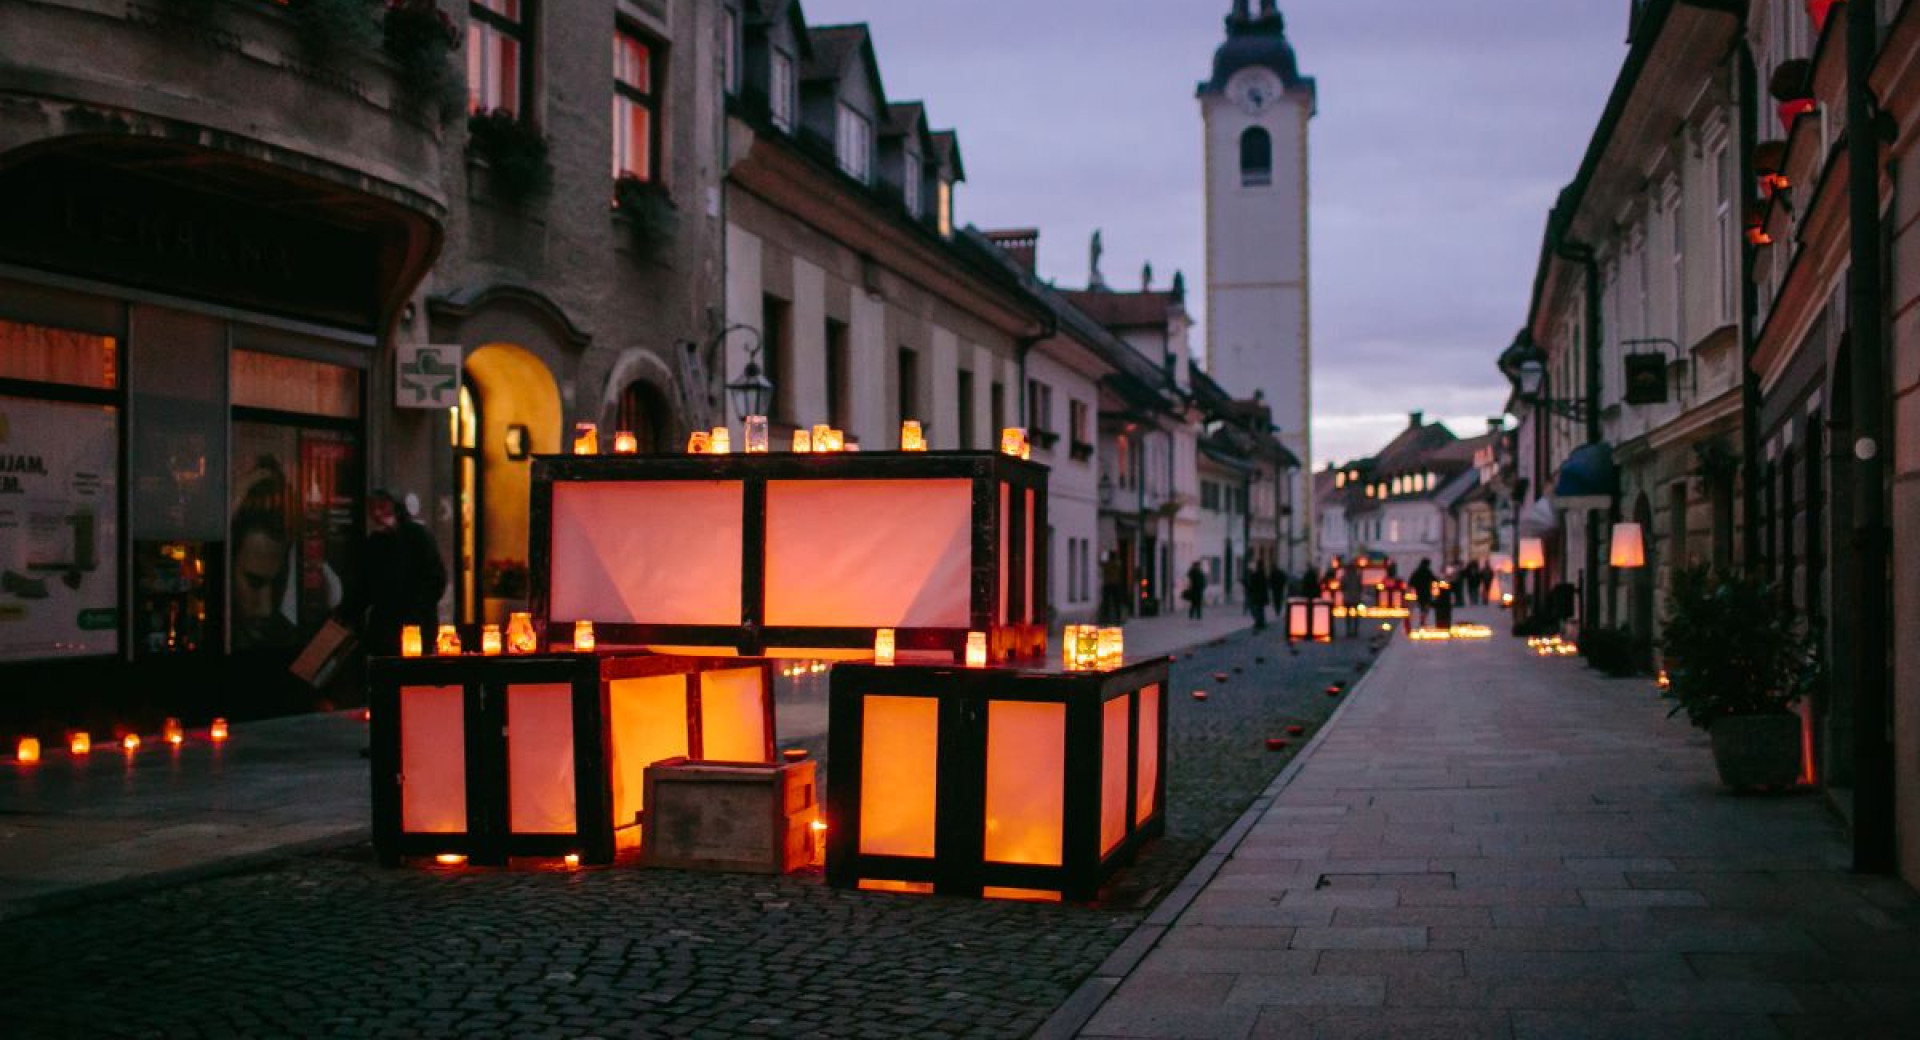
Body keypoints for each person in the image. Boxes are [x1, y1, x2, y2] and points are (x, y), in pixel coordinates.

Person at [349, 490, 447, 658]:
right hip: (384, 627)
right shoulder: (374, 543)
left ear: (396, 508)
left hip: (415, 624)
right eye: (372, 509)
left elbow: (435, 580)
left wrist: (417, 610)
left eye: (382, 507)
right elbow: (364, 586)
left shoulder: (418, 537)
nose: (377, 513)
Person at [1409, 557, 1438, 629]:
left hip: (1419, 592)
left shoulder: (1417, 571)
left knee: (1422, 606)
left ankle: (1422, 620)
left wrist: (1415, 587)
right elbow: (1435, 579)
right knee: (1426, 607)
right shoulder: (1428, 571)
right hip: (1427, 592)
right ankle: (1423, 620)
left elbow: (1411, 582)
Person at [1340, 558, 1365, 637]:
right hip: (1356, 598)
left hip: (1347, 598)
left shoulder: (1344, 577)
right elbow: (1360, 587)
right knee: (1356, 616)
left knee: (1348, 616)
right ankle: (1355, 631)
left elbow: (1342, 587)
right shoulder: (1357, 577)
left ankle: (1348, 631)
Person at [1245, 564, 1270, 631]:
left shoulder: (1255, 576)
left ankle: (1258, 622)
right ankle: (1261, 622)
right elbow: (1265, 587)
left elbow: (1251, 587)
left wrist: (1246, 586)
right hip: (1261, 597)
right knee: (1260, 610)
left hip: (1256, 596)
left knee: (1255, 610)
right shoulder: (1263, 576)